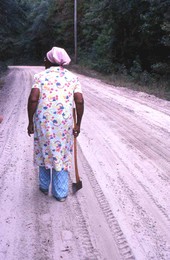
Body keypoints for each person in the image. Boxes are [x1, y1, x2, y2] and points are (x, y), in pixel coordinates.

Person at [27, 47, 84, 202]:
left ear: (50, 60)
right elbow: (79, 100)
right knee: (61, 154)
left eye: (45, 58)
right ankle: (60, 193)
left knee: (44, 151)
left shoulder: (40, 76)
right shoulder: (72, 78)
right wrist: (78, 124)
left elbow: (33, 99)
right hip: (64, 124)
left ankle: (44, 187)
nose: (44, 60)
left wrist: (30, 121)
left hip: (43, 123)